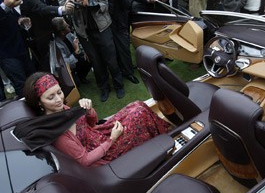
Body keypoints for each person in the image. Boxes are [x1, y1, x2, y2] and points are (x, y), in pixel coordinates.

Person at [23, 72, 172, 167]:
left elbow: (92, 123)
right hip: (103, 151)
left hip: (99, 133)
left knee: (137, 105)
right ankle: (164, 145)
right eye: (51, 97)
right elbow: (85, 160)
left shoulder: (62, 110)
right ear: (39, 103)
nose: (59, 99)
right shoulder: (58, 135)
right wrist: (112, 139)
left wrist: (89, 111)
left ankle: (161, 137)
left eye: (59, 92)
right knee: (139, 115)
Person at [57, 0, 125, 102]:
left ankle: (119, 85)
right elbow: (64, 8)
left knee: (111, 59)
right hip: (83, 32)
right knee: (96, 62)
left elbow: (105, 5)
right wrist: (75, 2)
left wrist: (90, 3)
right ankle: (104, 88)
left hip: (103, 27)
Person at [20, 0, 75, 72]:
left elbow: (52, 8)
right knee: (48, 66)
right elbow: (43, 9)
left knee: (58, 62)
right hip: (41, 38)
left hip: (51, 33)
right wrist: (63, 8)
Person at [0, 0, 35, 106]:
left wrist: (20, 19)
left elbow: (9, 14)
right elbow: (4, 9)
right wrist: (4, 7)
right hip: (6, 52)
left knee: (32, 81)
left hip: (20, 46)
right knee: (22, 86)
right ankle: (29, 119)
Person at [108, 0, 139, 84]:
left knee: (123, 46)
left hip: (124, 16)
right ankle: (128, 72)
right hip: (117, 20)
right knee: (123, 46)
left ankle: (127, 68)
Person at [51, 17, 91, 86]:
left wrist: (84, 51)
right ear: (62, 32)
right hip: (66, 70)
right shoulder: (57, 46)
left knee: (88, 57)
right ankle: (75, 77)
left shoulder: (68, 34)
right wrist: (75, 52)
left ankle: (81, 76)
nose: (68, 26)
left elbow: (77, 41)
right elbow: (65, 64)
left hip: (74, 62)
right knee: (76, 84)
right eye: (66, 26)